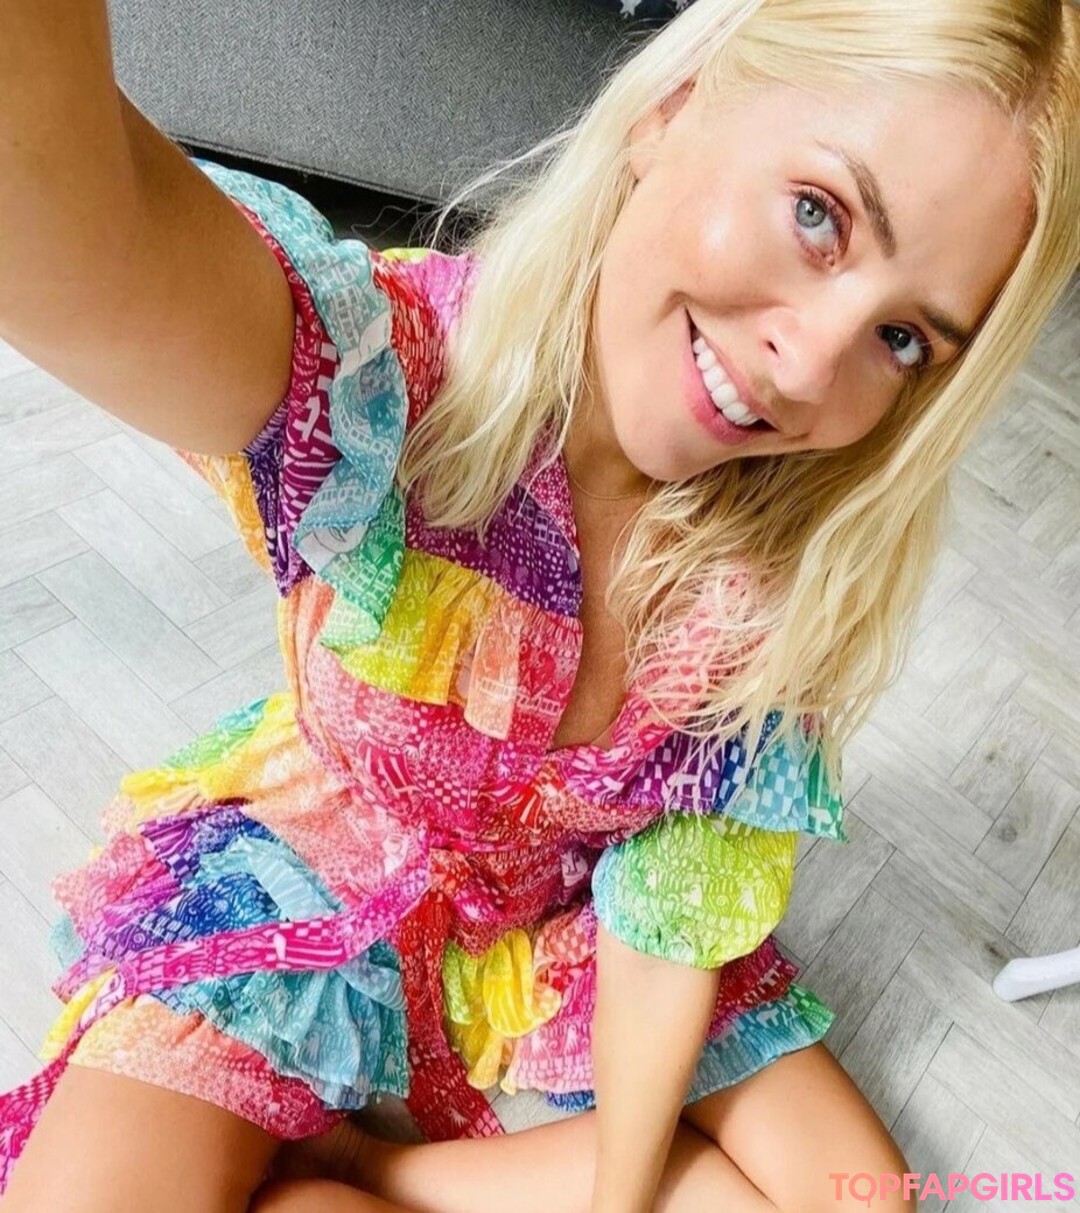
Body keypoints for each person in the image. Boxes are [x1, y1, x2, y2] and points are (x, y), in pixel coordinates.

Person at [0, 0, 1077, 1210]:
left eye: (904, 337)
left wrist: (606, 1194)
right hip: (313, 870)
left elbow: (664, 927)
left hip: (565, 921)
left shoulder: (779, 583)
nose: (813, 362)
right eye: (819, 215)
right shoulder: (390, 379)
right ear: (674, 108)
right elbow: (70, 217)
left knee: (862, 1193)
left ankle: (363, 1174)